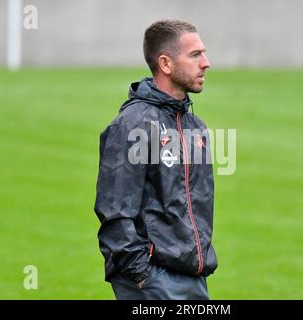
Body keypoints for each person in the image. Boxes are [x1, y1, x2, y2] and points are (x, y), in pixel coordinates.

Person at [94, 19, 218, 300]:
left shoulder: (195, 127)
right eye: (195, 55)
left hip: (193, 278)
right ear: (165, 64)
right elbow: (115, 211)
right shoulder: (133, 125)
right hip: (151, 280)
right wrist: (142, 275)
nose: (206, 63)